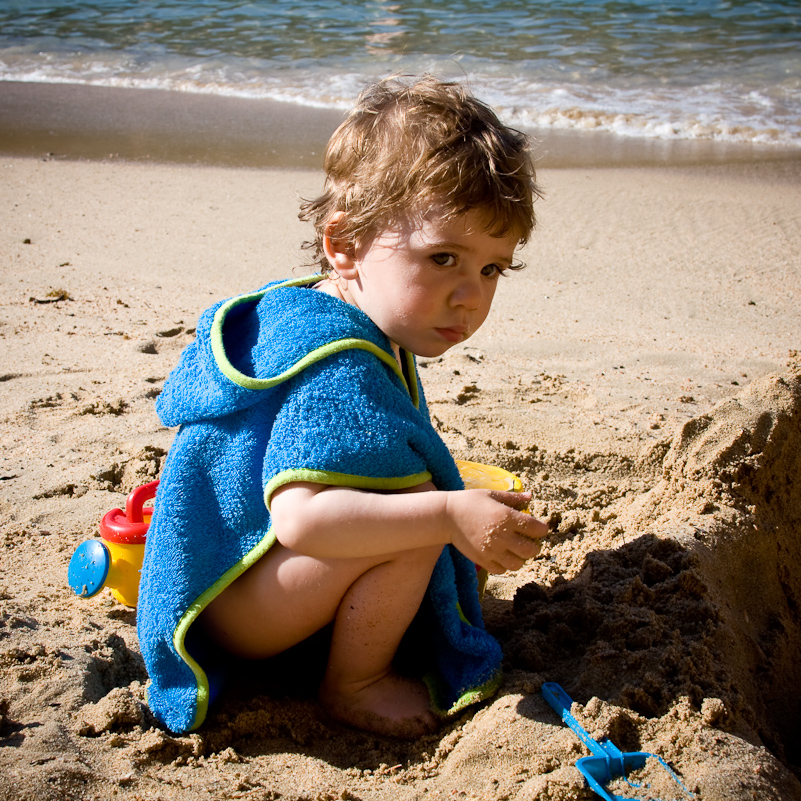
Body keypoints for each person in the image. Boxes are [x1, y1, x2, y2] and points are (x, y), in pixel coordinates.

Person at [137, 75, 547, 739]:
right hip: (235, 604)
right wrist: (445, 512)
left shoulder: (331, 307)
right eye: (442, 257)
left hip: (220, 570)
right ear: (344, 245)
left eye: (491, 268)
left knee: (415, 507)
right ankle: (353, 682)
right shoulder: (340, 362)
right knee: (416, 508)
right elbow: (305, 522)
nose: (469, 295)